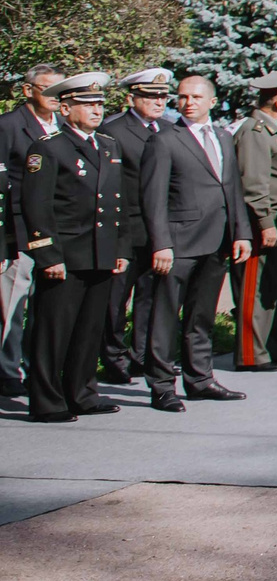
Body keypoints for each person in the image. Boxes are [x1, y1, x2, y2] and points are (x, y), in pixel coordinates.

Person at [139, 74, 255, 411]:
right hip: (178, 242)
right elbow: (153, 197)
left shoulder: (221, 136)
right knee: (163, 316)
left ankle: (200, 379)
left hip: (216, 240)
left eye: (195, 97)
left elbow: (232, 188)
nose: (188, 102)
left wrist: (241, 233)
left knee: (201, 316)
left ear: (211, 101)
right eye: (183, 97)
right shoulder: (164, 139)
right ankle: (161, 386)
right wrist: (160, 243)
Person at [18, 72, 128, 422]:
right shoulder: (48, 148)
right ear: (66, 109)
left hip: (100, 253)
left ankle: (81, 393)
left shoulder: (108, 146)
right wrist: (47, 254)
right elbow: (37, 205)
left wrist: (120, 249)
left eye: (99, 104)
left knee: (89, 329)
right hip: (65, 255)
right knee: (53, 331)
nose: (97, 110)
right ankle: (47, 401)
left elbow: (117, 203)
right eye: (88, 104)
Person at [98, 67, 175, 385]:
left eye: (162, 96)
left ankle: (142, 355)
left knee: (150, 296)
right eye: (151, 96)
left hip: (158, 230)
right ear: (133, 98)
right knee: (116, 298)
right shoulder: (113, 130)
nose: (159, 101)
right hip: (125, 228)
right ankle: (113, 357)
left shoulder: (169, 129)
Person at [0, 61, 67, 398]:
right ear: (28, 91)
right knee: (13, 305)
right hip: (19, 232)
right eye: (48, 89)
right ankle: (7, 370)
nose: (56, 96)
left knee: (47, 305)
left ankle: (38, 368)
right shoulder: (9, 126)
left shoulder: (65, 125)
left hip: (57, 233)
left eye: (61, 90)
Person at [231, 68, 277, 371]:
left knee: (273, 288)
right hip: (264, 225)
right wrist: (265, 222)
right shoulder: (254, 131)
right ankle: (250, 355)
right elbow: (254, 182)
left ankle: (270, 345)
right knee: (255, 288)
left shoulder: (274, 129)